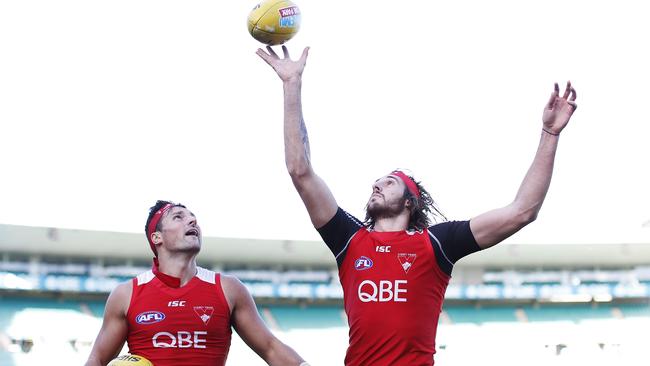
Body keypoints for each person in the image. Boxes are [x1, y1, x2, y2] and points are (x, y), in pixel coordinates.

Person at [256, 45, 577, 365]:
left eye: (389, 182)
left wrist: (549, 133)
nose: (376, 184)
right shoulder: (348, 239)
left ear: (410, 201)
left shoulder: (437, 243)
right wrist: (291, 86)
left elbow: (522, 211)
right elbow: (301, 171)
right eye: (377, 181)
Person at [85, 200, 308, 366]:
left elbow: (270, 348)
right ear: (157, 238)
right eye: (178, 217)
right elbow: (98, 358)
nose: (192, 221)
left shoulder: (228, 289)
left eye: (193, 217)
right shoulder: (126, 295)